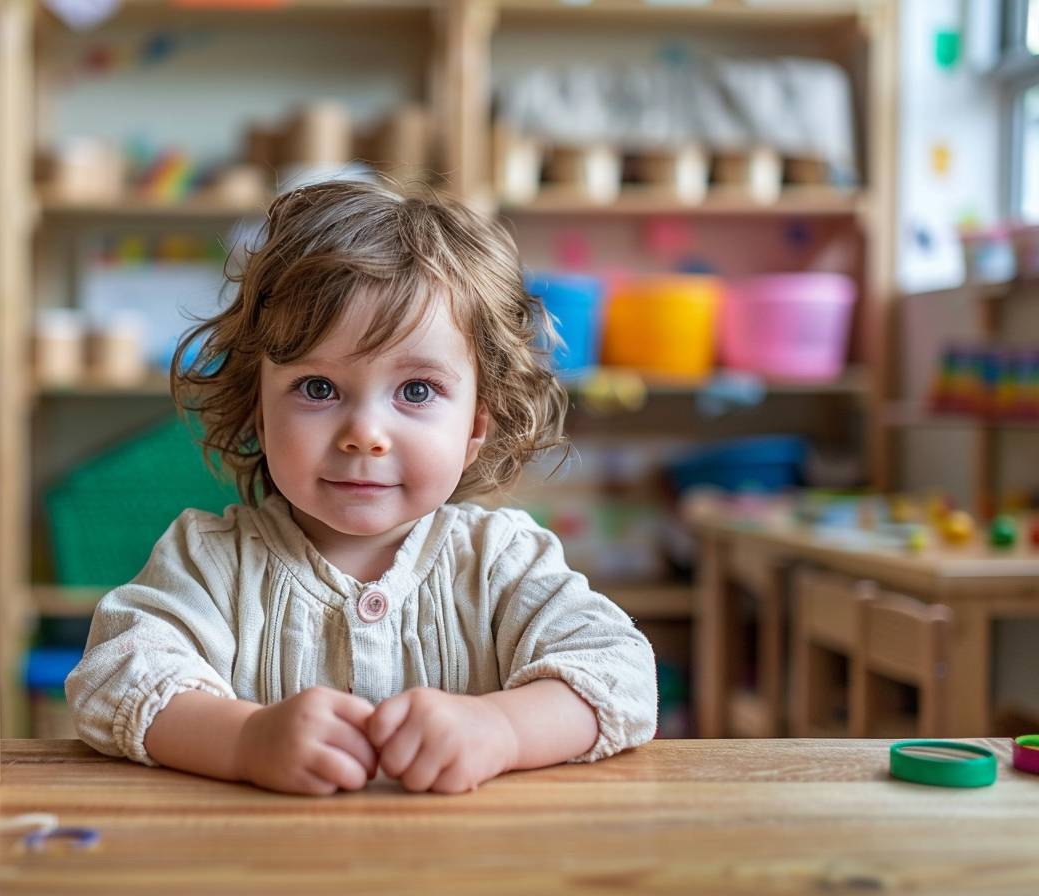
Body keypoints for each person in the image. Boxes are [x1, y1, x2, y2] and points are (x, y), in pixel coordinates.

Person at [66, 180, 657, 795]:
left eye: (417, 390)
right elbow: (114, 677)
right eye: (318, 388)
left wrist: (500, 728)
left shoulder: (502, 563)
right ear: (261, 415)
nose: (365, 435)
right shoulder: (209, 563)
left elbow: (621, 672)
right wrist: (243, 739)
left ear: (476, 424)